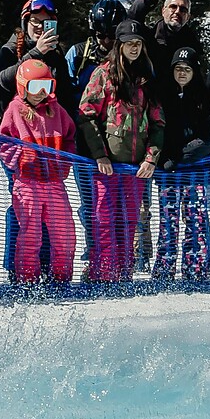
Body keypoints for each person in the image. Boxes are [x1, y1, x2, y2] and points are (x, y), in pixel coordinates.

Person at [77, 20, 164, 283]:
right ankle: (103, 272)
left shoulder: (147, 78)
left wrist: (152, 157)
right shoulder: (103, 74)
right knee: (103, 219)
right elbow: (86, 114)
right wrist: (99, 154)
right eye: (129, 43)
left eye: (138, 44)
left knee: (127, 222)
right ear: (119, 45)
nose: (134, 48)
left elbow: (158, 121)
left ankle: (123, 273)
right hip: (108, 166)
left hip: (136, 168)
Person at [0, 58, 79, 285]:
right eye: (35, 87)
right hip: (27, 182)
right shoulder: (15, 109)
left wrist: (64, 162)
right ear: (23, 86)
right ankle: (27, 280)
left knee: (64, 234)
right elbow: (3, 142)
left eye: (47, 86)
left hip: (54, 183)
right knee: (31, 234)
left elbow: (70, 138)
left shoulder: (57, 111)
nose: (42, 92)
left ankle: (61, 279)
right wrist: (21, 158)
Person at [150, 46, 210, 282]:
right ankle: (163, 271)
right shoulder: (163, 95)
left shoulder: (203, 98)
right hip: (168, 175)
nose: (182, 73)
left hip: (193, 173)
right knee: (168, 224)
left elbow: (207, 139)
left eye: (187, 69)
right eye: (178, 69)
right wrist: (163, 157)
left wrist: (179, 157)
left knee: (195, 222)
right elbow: (156, 129)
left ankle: (195, 268)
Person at [0, 0, 74, 117]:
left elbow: (65, 93)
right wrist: (37, 52)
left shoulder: (56, 53)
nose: (40, 27)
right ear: (25, 22)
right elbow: (3, 80)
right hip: (16, 119)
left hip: (49, 121)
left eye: (46, 23)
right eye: (35, 21)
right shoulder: (10, 49)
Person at [128, 0, 210, 81]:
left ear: (188, 17)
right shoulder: (150, 37)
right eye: (173, 7)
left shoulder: (193, 45)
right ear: (163, 11)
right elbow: (131, 19)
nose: (177, 11)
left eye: (183, 9)